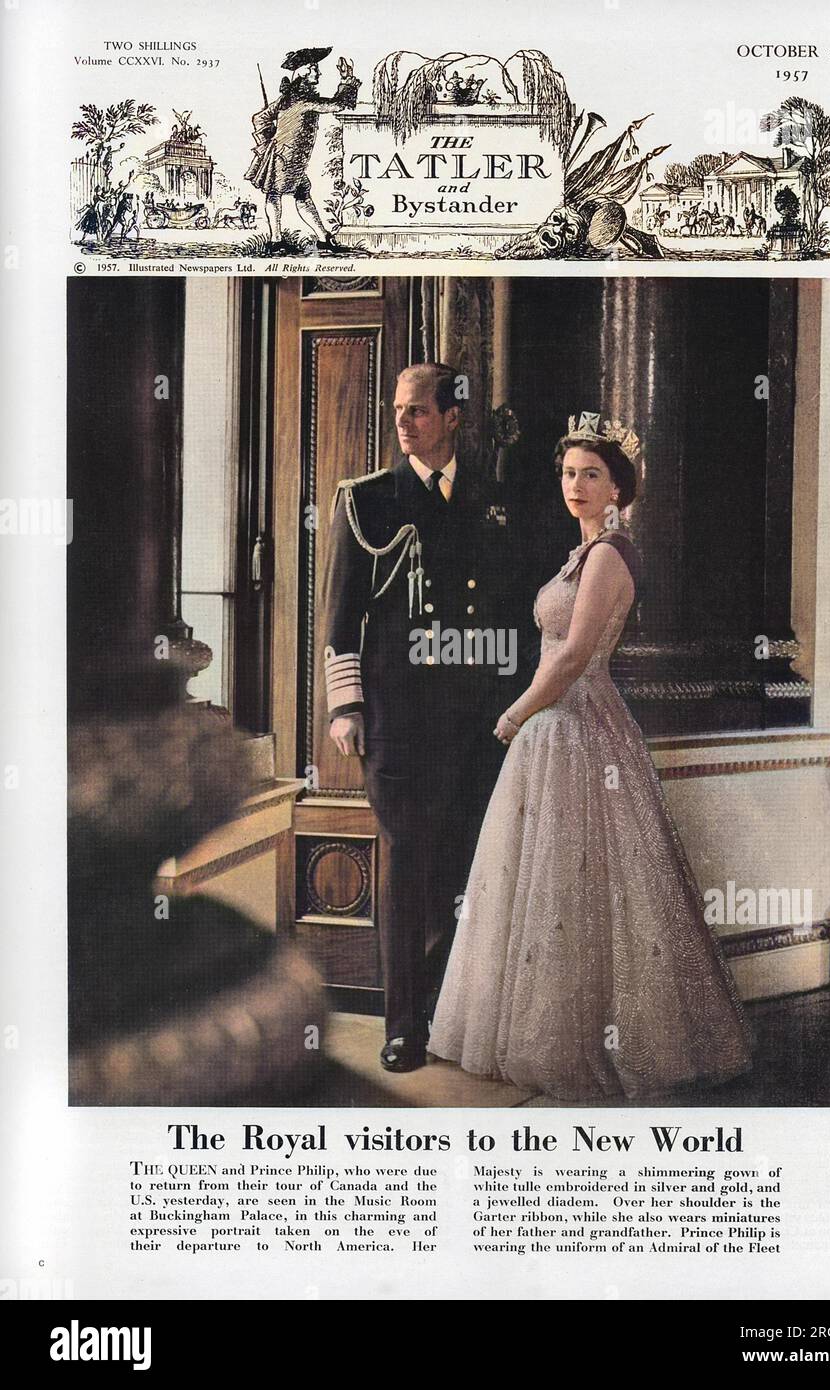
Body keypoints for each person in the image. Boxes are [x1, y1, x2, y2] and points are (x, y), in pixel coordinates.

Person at [428, 415, 753, 1101]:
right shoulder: (579, 555)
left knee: (584, 879)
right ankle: (537, 1029)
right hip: (556, 728)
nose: (575, 485)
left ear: (617, 489)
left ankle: (592, 1040)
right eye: (569, 473)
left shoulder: (608, 555)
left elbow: (575, 654)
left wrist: (516, 712)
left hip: (577, 725)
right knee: (544, 876)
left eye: (590, 475)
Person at [323, 363, 520, 1072]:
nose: (403, 422)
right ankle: (403, 1023)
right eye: (399, 410)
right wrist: (345, 706)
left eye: (419, 411)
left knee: (467, 866)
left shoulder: (494, 500)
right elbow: (341, 618)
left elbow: (514, 617)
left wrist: (519, 705)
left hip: (477, 723)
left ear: (453, 417)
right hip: (400, 722)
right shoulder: (369, 501)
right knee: (407, 866)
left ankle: (448, 1008)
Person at [245, 47, 361, 250]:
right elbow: (337, 105)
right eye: (314, 68)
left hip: (287, 157)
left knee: (297, 193)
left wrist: (269, 138)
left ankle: (321, 237)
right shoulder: (304, 100)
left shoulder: (289, 99)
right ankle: (277, 241)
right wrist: (347, 80)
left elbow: (259, 118)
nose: (319, 72)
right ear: (304, 72)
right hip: (286, 159)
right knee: (277, 193)